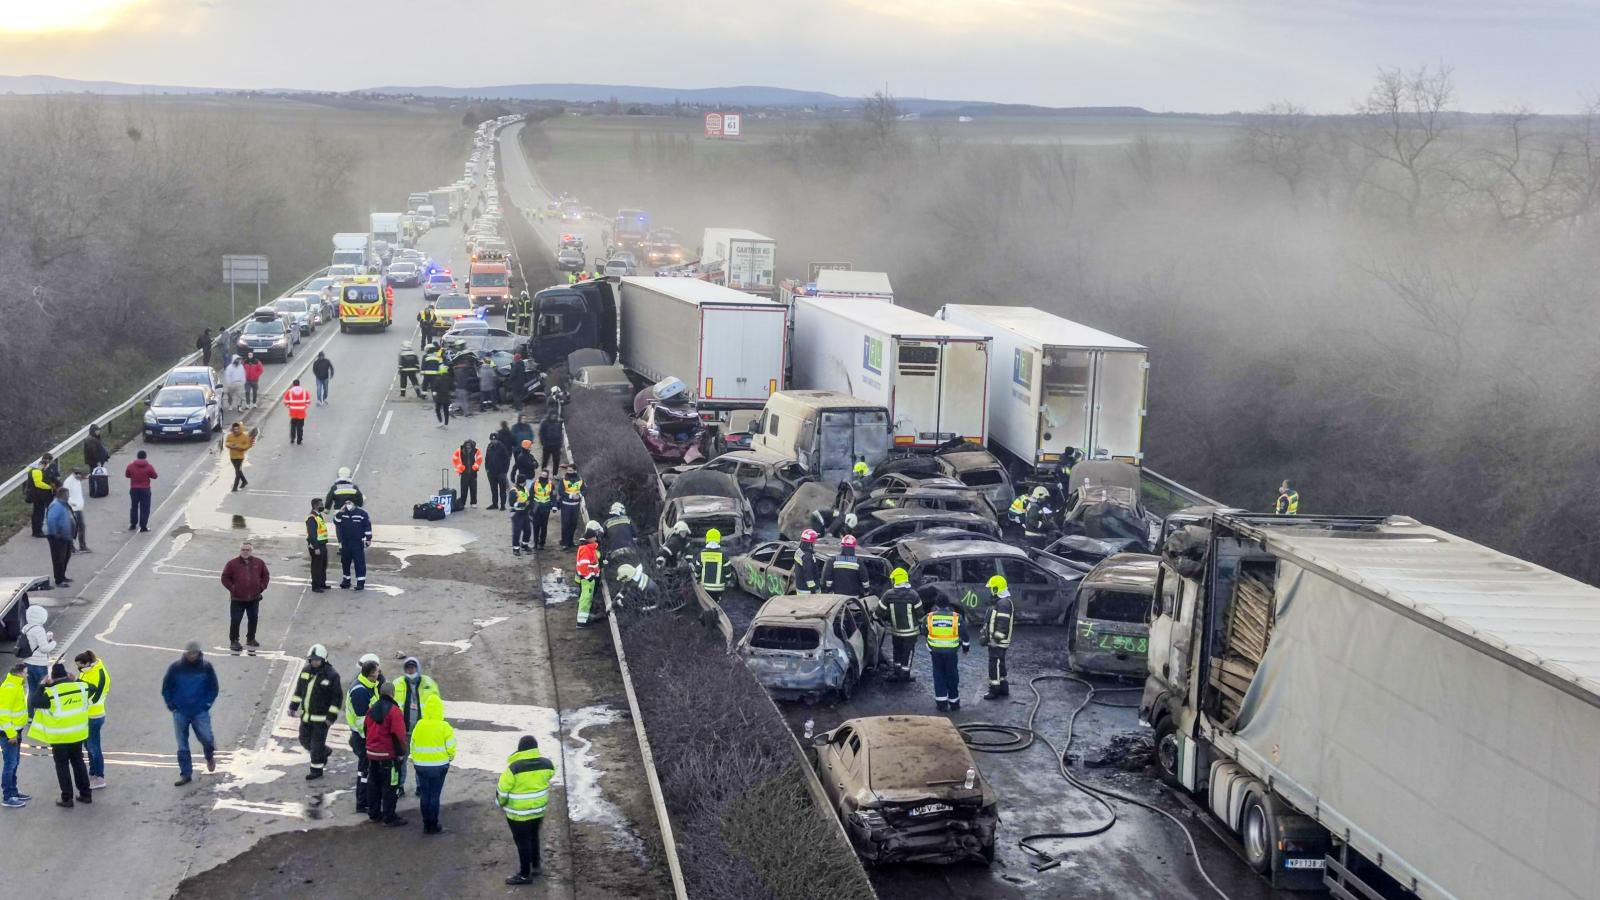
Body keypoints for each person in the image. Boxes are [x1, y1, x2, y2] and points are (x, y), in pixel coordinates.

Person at [29, 662, 92, 807]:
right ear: (66, 675)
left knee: (62, 766)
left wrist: (43, 685)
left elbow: (34, 702)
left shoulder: (51, 693)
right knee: (79, 763)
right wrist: (76, 679)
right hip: (78, 734)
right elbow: (93, 688)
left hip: (59, 738)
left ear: (53, 678)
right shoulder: (81, 687)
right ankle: (86, 794)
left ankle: (67, 798)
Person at [497, 734, 556, 884]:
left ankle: (524, 875)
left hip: (518, 814)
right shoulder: (547, 764)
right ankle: (535, 865)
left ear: (520, 749)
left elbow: (502, 792)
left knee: (522, 842)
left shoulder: (513, 768)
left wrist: (501, 803)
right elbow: (550, 775)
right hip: (538, 810)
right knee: (534, 836)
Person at [162, 641, 218, 787]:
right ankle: (185, 774)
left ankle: (209, 755)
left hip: (199, 711)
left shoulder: (206, 667)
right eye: (189, 653)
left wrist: (206, 704)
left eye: (193, 653)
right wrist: (172, 705)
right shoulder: (175, 668)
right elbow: (166, 687)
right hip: (181, 712)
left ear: (198, 653)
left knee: (207, 738)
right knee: (182, 744)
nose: (191, 656)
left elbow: (213, 687)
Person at [287, 644, 341, 780]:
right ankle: (325, 751)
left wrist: (331, 717)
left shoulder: (331, 675)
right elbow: (299, 691)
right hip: (306, 717)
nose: (314, 662)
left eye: (317, 660)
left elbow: (337, 698)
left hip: (322, 720)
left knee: (316, 746)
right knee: (304, 740)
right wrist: (293, 707)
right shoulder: (306, 671)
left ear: (323, 660)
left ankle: (316, 770)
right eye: (312, 659)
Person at [363, 681, 408, 826]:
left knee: (374, 784)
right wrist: (401, 752)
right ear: (392, 693)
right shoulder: (394, 711)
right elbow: (399, 734)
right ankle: (389, 817)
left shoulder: (371, 710)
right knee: (390, 786)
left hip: (372, 754)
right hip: (388, 756)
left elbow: (366, 728)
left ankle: (374, 814)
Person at [392, 656, 439, 796]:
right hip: (403, 731)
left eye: (412, 667)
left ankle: (421, 786)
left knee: (421, 761)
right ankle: (399, 786)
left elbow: (436, 706)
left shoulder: (429, 684)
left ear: (417, 668)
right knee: (400, 761)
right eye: (408, 667)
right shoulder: (397, 684)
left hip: (422, 731)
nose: (410, 670)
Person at [410, 695, 456, 834]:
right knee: (435, 796)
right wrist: (449, 759)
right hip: (439, 766)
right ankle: (434, 824)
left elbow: (412, 744)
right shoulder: (444, 726)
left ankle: (426, 824)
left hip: (421, 766)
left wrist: (417, 760)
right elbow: (451, 747)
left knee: (425, 795)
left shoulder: (419, 724)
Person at [344, 655, 383, 813]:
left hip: (365, 736)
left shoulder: (368, 685)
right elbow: (362, 723)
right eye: (374, 676)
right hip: (363, 738)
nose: (377, 678)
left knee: (367, 769)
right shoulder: (360, 691)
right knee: (365, 770)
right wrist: (372, 738)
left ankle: (366, 799)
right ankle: (363, 801)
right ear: (368, 675)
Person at [221, 541, 269, 651]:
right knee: (236, 620)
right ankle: (234, 641)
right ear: (240, 550)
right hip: (237, 599)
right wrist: (233, 589)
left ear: (251, 551)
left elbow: (265, 576)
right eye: (243, 549)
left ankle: (251, 638)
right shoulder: (232, 564)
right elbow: (225, 578)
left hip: (254, 598)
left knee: (253, 618)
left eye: (248, 550)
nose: (245, 552)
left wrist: (261, 588)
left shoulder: (259, 563)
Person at [926, 593, 970, 712]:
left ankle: (941, 704)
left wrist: (929, 646)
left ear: (936, 604)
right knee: (952, 676)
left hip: (935, 652)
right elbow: (965, 635)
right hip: (951, 653)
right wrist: (965, 649)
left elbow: (924, 631)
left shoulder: (930, 617)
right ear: (948, 604)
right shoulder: (956, 617)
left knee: (938, 676)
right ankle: (954, 703)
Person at [878, 568, 923, 681]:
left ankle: (897, 672)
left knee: (897, 650)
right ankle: (905, 674)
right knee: (908, 652)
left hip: (896, 631)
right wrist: (922, 625)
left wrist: (873, 618)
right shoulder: (914, 595)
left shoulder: (888, 595)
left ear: (894, 580)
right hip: (911, 633)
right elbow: (920, 614)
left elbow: (879, 612)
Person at [73, 651, 110, 789]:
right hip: (86, 715)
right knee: (89, 746)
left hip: (94, 715)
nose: (79, 669)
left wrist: (77, 684)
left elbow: (94, 697)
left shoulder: (100, 675)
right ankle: (93, 772)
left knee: (94, 747)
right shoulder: (88, 671)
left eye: (80, 666)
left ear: (88, 663)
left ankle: (100, 777)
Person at [981, 576, 1015, 700]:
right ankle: (1003, 687)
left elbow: (1002, 625)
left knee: (994, 664)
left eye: (991, 588)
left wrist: (995, 639)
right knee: (1000, 664)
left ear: (996, 588)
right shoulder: (1003, 602)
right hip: (1000, 641)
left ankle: (994, 690)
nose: (990, 591)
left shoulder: (1003, 604)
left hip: (998, 642)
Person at [1, 662, 29, 808]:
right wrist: (11, 734)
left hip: (15, 731)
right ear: (19, 673)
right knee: (10, 763)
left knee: (14, 762)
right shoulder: (10, 689)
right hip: (9, 734)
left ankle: (13, 791)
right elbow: (3, 715)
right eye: (25, 672)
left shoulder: (15, 685)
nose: (27, 675)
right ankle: (8, 796)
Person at [334, 498, 373, 590]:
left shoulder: (362, 514)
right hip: (345, 542)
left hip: (357, 542)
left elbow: (367, 526)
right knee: (345, 562)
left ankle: (360, 582)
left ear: (354, 503)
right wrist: (340, 512)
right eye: (346, 503)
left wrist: (368, 539)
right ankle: (346, 581)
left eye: (349, 503)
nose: (347, 504)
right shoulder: (343, 513)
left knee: (359, 562)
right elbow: (336, 522)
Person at [20, 606, 55, 694]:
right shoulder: (39, 629)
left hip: (27, 663)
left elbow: (33, 643)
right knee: (42, 690)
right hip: (39, 664)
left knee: (32, 690)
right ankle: (42, 707)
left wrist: (45, 637)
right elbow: (44, 649)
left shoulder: (26, 627)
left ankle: (31, 708)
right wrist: (53, 642)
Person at [45, 487, 75, 587]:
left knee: (66, 556)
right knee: (59, 558)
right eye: (67, 494)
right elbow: (51, 520)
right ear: (62, 495)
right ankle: (59, 580)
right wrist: (55, 533)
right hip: (57, 537)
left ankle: (62, 575)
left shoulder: (63, 504)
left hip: (65, 536)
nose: (69, 496)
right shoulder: (56, 505)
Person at [125, 450, 158, 532]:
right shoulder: (149, 466)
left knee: (134, 507)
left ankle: (133, 524)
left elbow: (127, 475)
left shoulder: (130, 466)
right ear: (145, 457)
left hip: (134, 489)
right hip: (145, 489)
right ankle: (143, 526)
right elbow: (155, 476)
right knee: (145, 508)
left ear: (137, 456)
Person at [575, 527, 601, 627]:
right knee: (585, 599)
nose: (595, 538)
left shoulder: (589, 548)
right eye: (594, 537)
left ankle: (583, 620)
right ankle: (581, 622)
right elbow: (583, 567)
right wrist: (590, 577)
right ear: (589, 538)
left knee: (587, 599)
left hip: (589, 578)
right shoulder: (586, 549)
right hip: (587, 579)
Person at [27, 452, 57, 537]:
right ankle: (37, 532)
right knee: (39, 514)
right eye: (47, 465)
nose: (47, 467)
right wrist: (49, 487)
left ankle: (36, 530)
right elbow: (38, 484)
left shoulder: (33, 469)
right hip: (38, 495)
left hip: (35, 494)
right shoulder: (37, 471)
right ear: (44, 463)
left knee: (37, 513)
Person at [305, 499, 331, 592]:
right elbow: (312, 535)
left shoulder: (318, 516)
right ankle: (316, 586)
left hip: (322, 544)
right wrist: (316, 548)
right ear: (316, 506)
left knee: (323, 565)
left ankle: (322, 583)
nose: (322, 506)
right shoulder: (312, 518)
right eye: (321, 504)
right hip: (317, 546)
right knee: (317, 567)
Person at [603, 501, 636, 569]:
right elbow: (635, 534)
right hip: (630, 551)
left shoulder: (606, 523)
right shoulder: (628, 519)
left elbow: (602, 538)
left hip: (614, 553)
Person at [558, 464, 584, 549]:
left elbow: (585, 489)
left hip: (576, 505)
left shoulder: (580, 479)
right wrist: (570, 496)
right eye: (567, 470)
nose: (568, 472)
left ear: (575, 471)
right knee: (565, 524)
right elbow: (561, 491)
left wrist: (579, 495)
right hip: (566, 505)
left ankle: (570, 541)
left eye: (570, 471)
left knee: (573, 524)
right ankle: (564, 542)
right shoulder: (563, 480)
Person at [698, 528, 726, 606]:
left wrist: (698, 578)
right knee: (716, 603)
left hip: (705, 587)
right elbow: (728, 571)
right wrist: (727, 580)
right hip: (719, 588)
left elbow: (697, 569)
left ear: (707, 539)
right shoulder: (723, 554)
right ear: (719, 539)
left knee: (707, 603)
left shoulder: (702, 554)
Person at [64, 468, 89, 552]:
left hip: (79, 508)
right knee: (72, 528)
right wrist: (72, 503)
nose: (82, 479)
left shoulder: (77, 481)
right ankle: (71, 547)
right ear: (76, 474)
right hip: (73, 508)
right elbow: (66, 495)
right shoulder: (68, 482)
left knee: (82, 527)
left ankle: (82, 546)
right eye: (81, 477)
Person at [452, 438, 483, 508]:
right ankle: (463, 502)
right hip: (464, 474)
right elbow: (455, 458)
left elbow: (479, 459)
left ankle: (473, 502)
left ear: (471, 445)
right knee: (463, 489)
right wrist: (460, 467)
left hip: (473, 474)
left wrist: (475, 467)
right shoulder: (460, 451)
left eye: (469, 445)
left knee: (473, 489)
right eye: (467, 445)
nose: (468, 446)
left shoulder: (476, 451)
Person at [225, 422, 255, 491]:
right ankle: (244, 481)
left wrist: (237, 446)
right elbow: (227, 443)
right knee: (238, 471)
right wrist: (230, 445)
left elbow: (246, 446)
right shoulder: (230, 435)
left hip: (240, 457)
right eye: (234, 429)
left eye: (237, 429)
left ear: (240, 429)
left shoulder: (244, 436)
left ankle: (235, 487)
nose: (235, 430)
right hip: (232, 457)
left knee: (237, 472)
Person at [485, 431, 511, 510]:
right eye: (492, 440)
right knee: (493, 489)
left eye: (495, 440)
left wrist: (505, 471)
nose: (493, 441)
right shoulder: (489, 447)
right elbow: (487, 459)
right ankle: (495, 504)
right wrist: (487, 469)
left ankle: (502, 505)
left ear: (498, 440)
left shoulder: (502, 447)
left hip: (501, 472)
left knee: (502, 489)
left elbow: (507, 459)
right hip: (491, 472)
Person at [529, 471, 554, 550]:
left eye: (544, 475)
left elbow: (553, 495)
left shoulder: (551, 485)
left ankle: (542, 543)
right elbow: (531, 495)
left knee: (544, 526)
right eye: (542, 475)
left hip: (546, 507)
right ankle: (535, 542)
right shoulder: (535, 483)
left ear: (547, 476)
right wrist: (530, 507)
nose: (543, 476)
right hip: (536, 507)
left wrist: (554, 506)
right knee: (536, 525)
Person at [283, 379, 312, 445]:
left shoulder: (289, 392)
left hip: (293, 412)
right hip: (301, 412)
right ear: (299, 384)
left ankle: (292, 438)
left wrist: (290, 407)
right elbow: (308, 402)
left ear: (293, 384)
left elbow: (285, 402)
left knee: (293, 426)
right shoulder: (305, 391)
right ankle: (299, 440)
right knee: (300, 427)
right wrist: (304, 407)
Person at [793, 529, 822, 594]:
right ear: (811, 542)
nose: (815, 542)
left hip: (800, 587)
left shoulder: (799, 551)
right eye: (815, 540)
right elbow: (808, 573)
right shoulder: (807, 556)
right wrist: (813, 590)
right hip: (807, 591)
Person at [509, 478, 532, 555]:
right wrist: (523, 504)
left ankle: (524, 544)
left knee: (528, 530)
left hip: (525, 512)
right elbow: (512, 503)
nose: (524, 484)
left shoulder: (525, 488)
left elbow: (527, 497)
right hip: (516, 513)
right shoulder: (513, 490)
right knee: (517, 532)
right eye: (522, 482)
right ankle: (516, 548)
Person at [432, 356, 455, 428]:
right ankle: (446, 423)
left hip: (439, 398)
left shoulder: (438, 378)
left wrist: (434, 393)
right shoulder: (449, 378)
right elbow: (452, 387)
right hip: (446, 397)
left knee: (437, 409)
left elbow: (434, 387)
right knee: (446, 411)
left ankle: (440, 421)